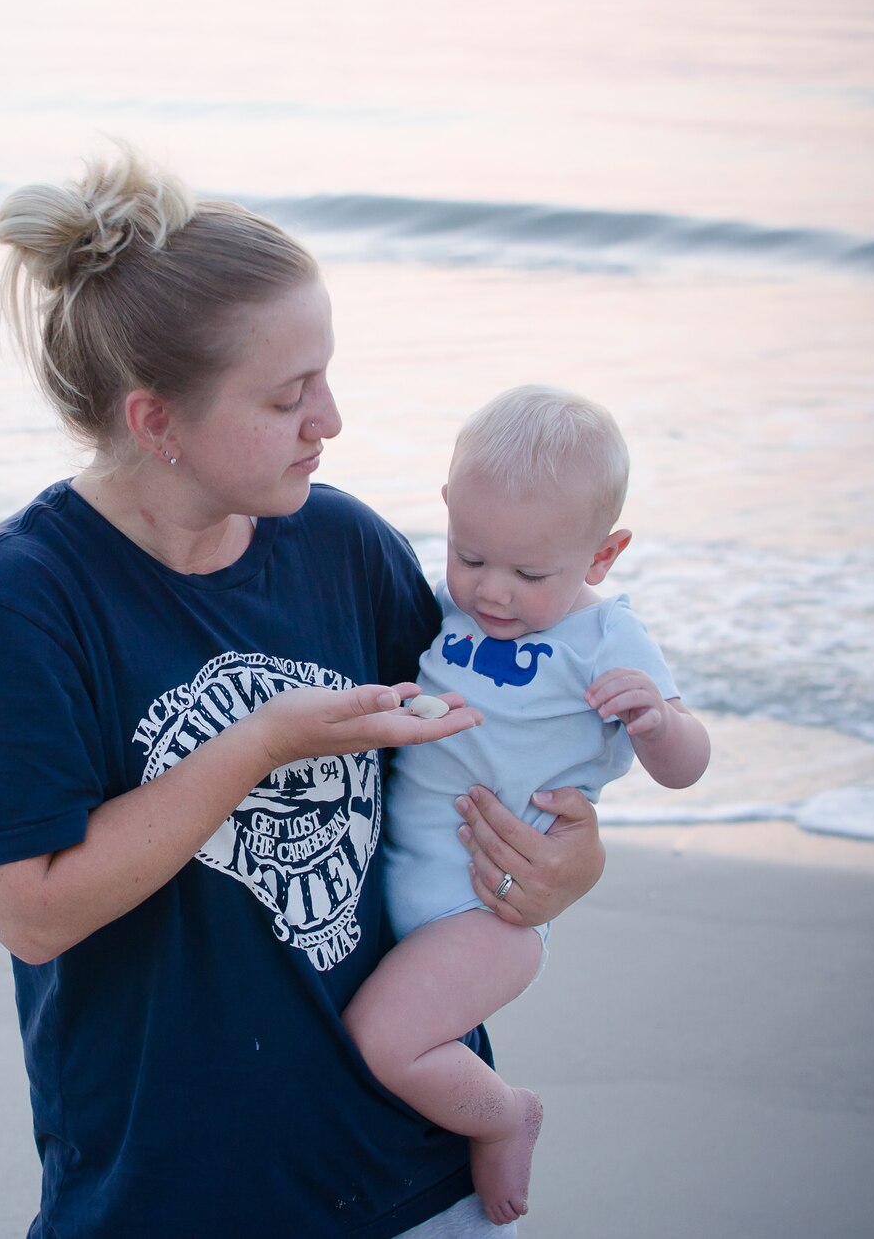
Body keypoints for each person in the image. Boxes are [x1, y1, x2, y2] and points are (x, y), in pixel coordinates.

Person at [0, 145, 607, 1238]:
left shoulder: (340, 544)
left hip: (409, 1162)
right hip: (172, 1189)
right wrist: (253, 745)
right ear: (155, 423)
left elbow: (486, 744)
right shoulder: (18, 604)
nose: (328, 417)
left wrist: (565, 863)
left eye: (323, 374)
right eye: (286, 396)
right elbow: (30, 914)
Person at [343, 385, 712, 1226]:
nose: (493, 591)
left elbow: (688, 763)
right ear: (447, 514)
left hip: (486, 914)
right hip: (408, 880)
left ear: (602, 554)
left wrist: (655, 720)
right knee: (388, 1034)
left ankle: (506, 1114)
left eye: (528, 572)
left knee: (383, 1039)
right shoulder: (450, 612)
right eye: (469, 555)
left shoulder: (605, 637)